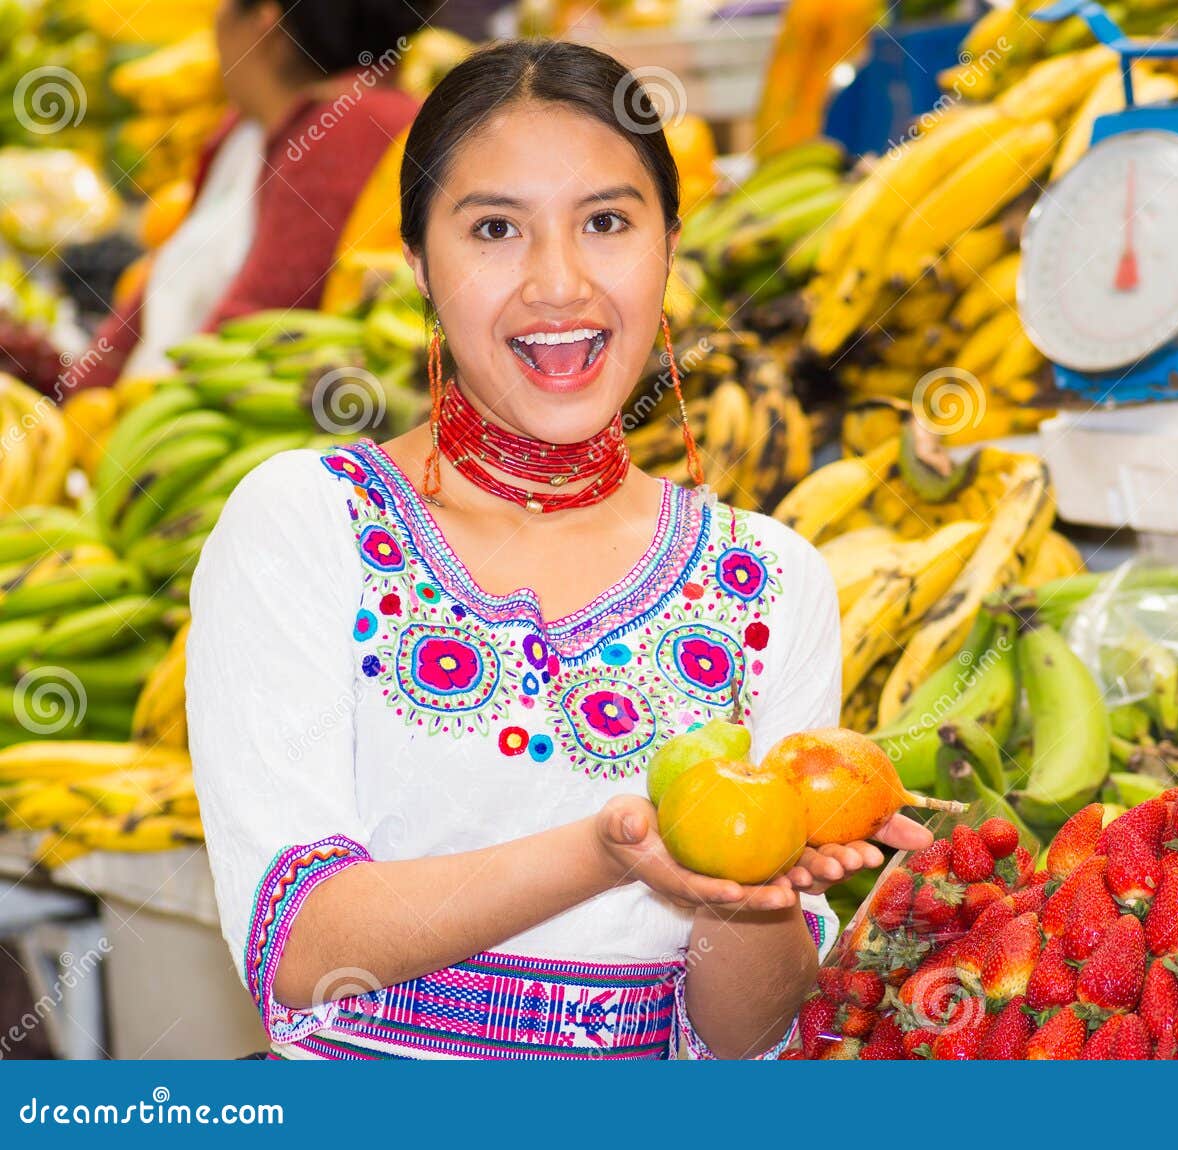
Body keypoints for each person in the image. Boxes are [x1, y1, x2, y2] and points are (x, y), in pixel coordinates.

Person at [186, 38, 930, 1061]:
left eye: (607, 222)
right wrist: (609, 851)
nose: (559, 282)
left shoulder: (768, 580)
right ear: (416, 263)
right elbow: (299, 945)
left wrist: (745, 895)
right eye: (495, 227)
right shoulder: (309, 526)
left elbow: (748, 1036)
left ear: (669, 244)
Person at [67, 0, 430, 393]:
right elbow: (161, 281)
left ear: (264, 20)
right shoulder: (246, 127)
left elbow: (251, 326)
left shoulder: (355, 126)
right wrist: (75, 394)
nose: (214, 18)